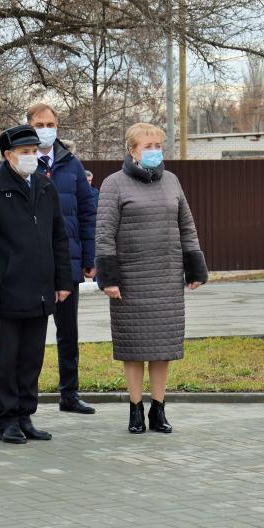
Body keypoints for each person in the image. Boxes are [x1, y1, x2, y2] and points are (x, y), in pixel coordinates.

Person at [95, 123, 208, 434]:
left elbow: (187, 226)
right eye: (148, 146)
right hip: (130, 282)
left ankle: (158, 409)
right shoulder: (114, 184)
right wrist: (109, 278)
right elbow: (104, 234)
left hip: (167, 279)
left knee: (163, 349)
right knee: (133, 349)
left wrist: (195, 268)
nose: (155, 151)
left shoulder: (172, 181)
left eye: (158, 145)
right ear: (132, 151)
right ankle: (135, 410)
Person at [0, 124, 73, 444]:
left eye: (34, 152)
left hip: (41, 290)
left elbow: (58, 236)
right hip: (8, 292)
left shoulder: (44, 187)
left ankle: (26, 414)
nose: (31, 158)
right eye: (25, 153)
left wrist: (62, 281)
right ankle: (7, 419)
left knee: (32, 358)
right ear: (8, 155)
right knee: (9, 360)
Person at [27, 103, 97, 414]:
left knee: (68, 332)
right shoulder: (20, 162)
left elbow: (87, 212)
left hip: (67, 261)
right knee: (30, 335)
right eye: (39, 123)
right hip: (33, 265)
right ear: (29, 126)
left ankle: (69, 394)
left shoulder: (72, 165)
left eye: (50, 123)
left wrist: (89, 256)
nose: (46, 128)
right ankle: (25, 398)